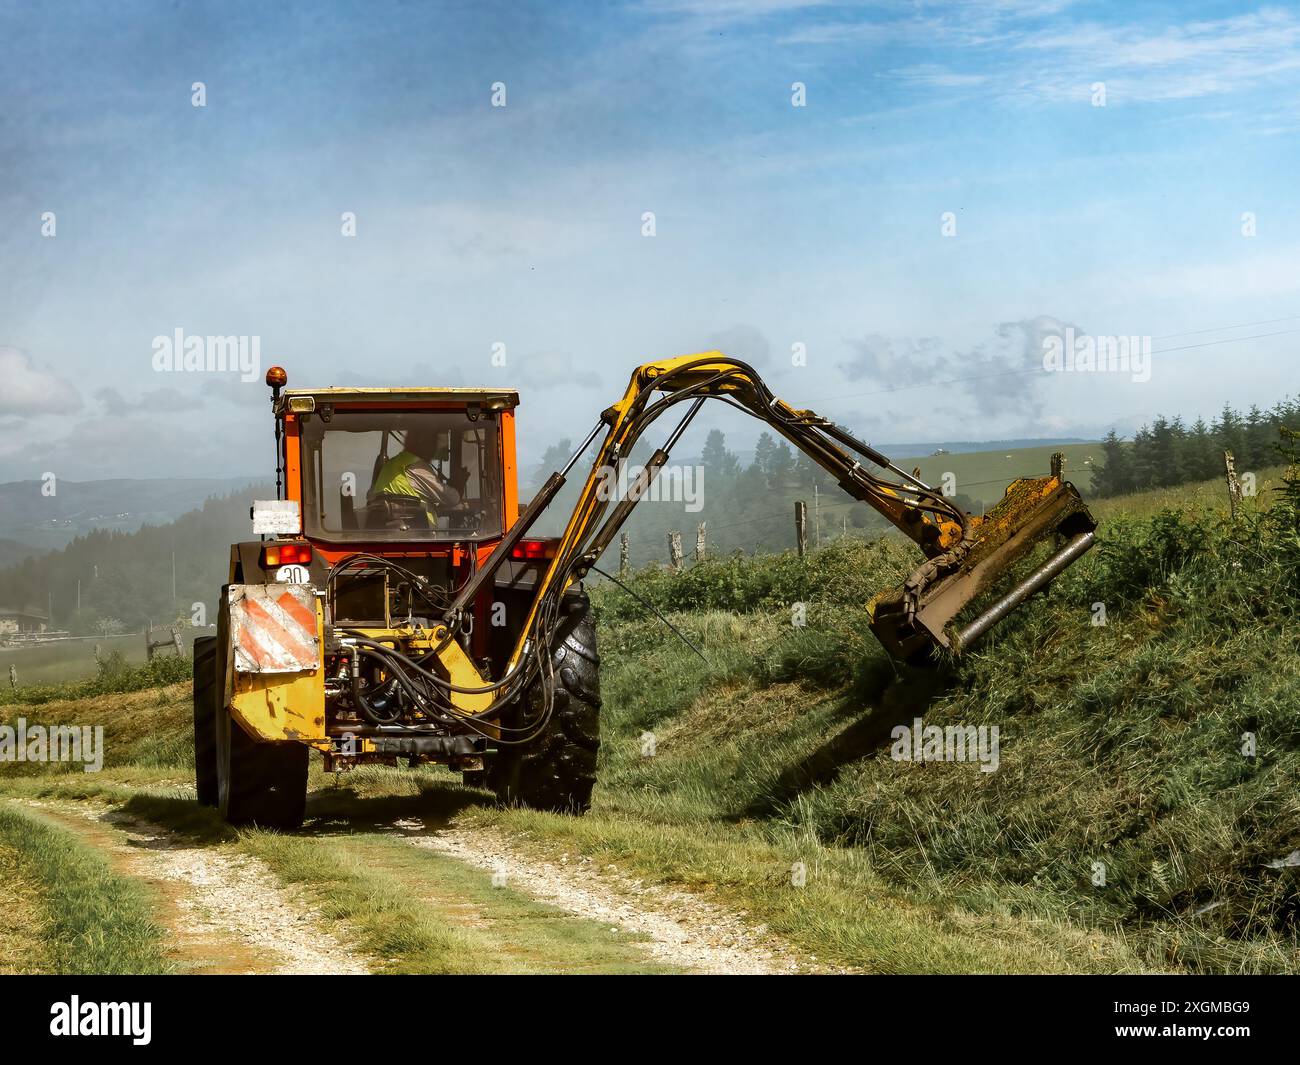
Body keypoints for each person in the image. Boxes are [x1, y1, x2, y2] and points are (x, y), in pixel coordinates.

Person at [367, 425, 461, 529]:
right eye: (433, 443)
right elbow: (452, 498)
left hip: (384, 536)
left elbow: (371, 497)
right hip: (422, 538)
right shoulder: (417, 468)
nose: (434, 449)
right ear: (422, 443)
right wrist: (459, 483)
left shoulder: (388, 466)